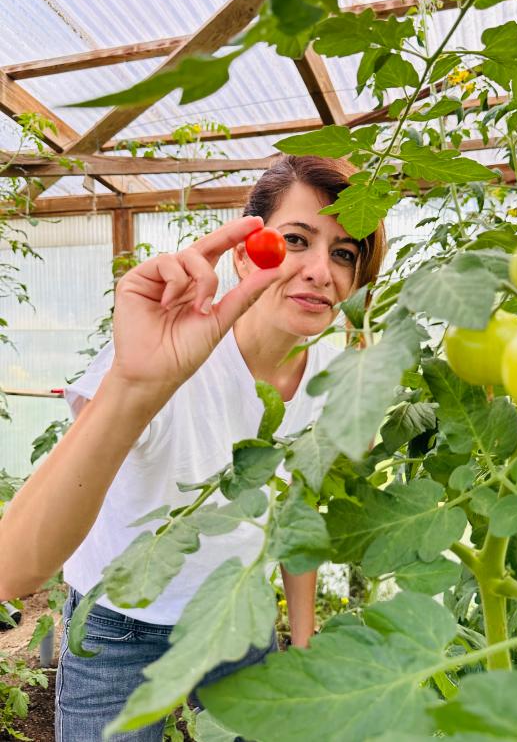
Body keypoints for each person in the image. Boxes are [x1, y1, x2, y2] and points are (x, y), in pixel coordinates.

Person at [0, 155, 386, 741]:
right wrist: (135, 386)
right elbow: (13, 567)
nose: (319, 271)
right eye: (296, 240)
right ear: (246, 252)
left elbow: (297, 511)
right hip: (121, 627)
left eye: (344, 254)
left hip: (238, 620)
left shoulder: (332, 380)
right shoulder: (165, 355)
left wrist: (304, 643)